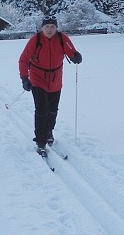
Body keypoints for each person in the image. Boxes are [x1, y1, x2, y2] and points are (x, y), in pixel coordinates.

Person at [18, 16, 82, 155]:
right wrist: (24, 78)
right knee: (41, 110)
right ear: (42, 28)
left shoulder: (62, 38)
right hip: (37, 79)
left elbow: (71, 51)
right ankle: (41, 141)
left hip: (56, 80)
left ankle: (48, 132)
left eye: (52, 26)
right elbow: (23, 60)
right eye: (47, 27)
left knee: (53, 110)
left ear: (56, 27)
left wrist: (76, 56)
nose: (50, 29)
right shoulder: (35, 40)